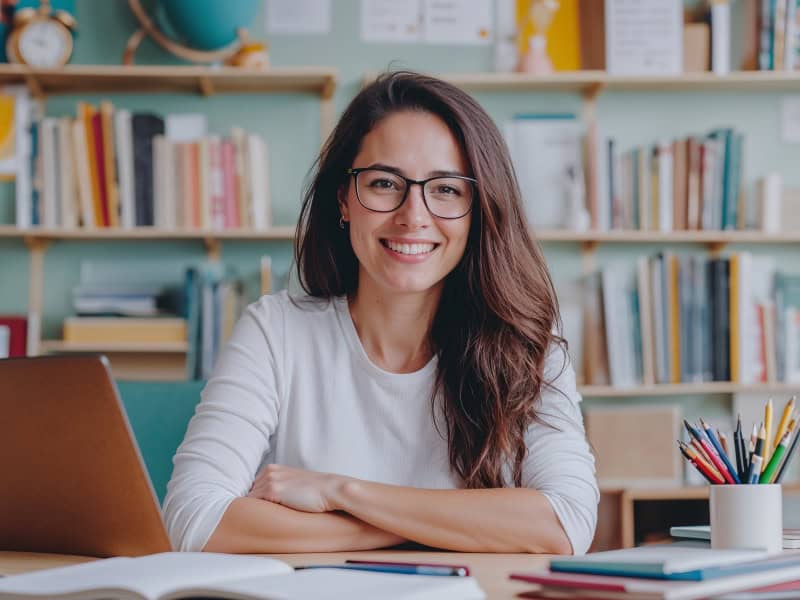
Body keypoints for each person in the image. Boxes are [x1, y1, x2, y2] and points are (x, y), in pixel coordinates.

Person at [163, 71, 598, 556]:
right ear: (344, 200)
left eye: (446, 190)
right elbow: (195, 520)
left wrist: (340, 492)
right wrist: (434, 526)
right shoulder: (275, 330)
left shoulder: (526, 339)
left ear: (479, 210)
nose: (413, 215)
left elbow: (566, 524)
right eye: (385, 183)